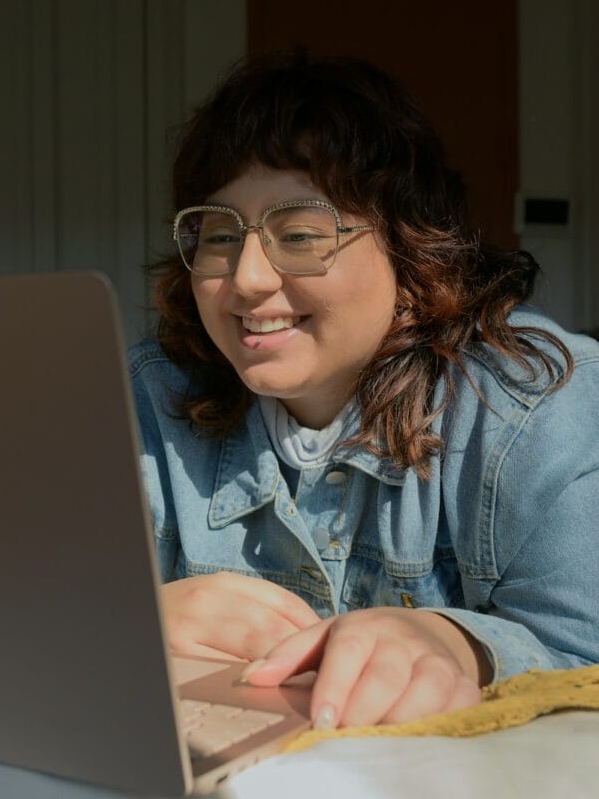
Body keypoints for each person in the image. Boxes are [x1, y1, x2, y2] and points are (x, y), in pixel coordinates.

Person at [129, 51, 599, 731]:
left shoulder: (540, 406)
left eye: (299, 234)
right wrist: (127, 619)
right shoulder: (144, 401)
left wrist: (458, 645)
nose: (247, 278)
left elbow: (586, 651)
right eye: (220, 233)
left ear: (411, 250)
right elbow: (4, 604)